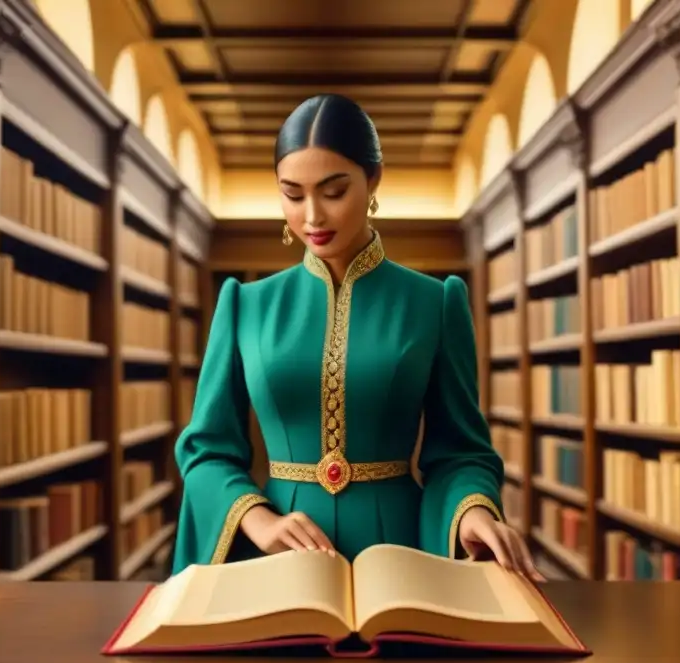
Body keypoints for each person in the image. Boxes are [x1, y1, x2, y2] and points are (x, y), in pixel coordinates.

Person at [171, 93, 540, 580]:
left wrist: (472, 513)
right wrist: (256, 519)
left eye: (333, 190)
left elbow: (460, 451)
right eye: (293, 193)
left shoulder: (436, 302)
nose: (312, 216)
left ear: (373, 180)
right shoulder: (245, 304)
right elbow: (207, 448)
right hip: (279, 553)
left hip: (404, 551)